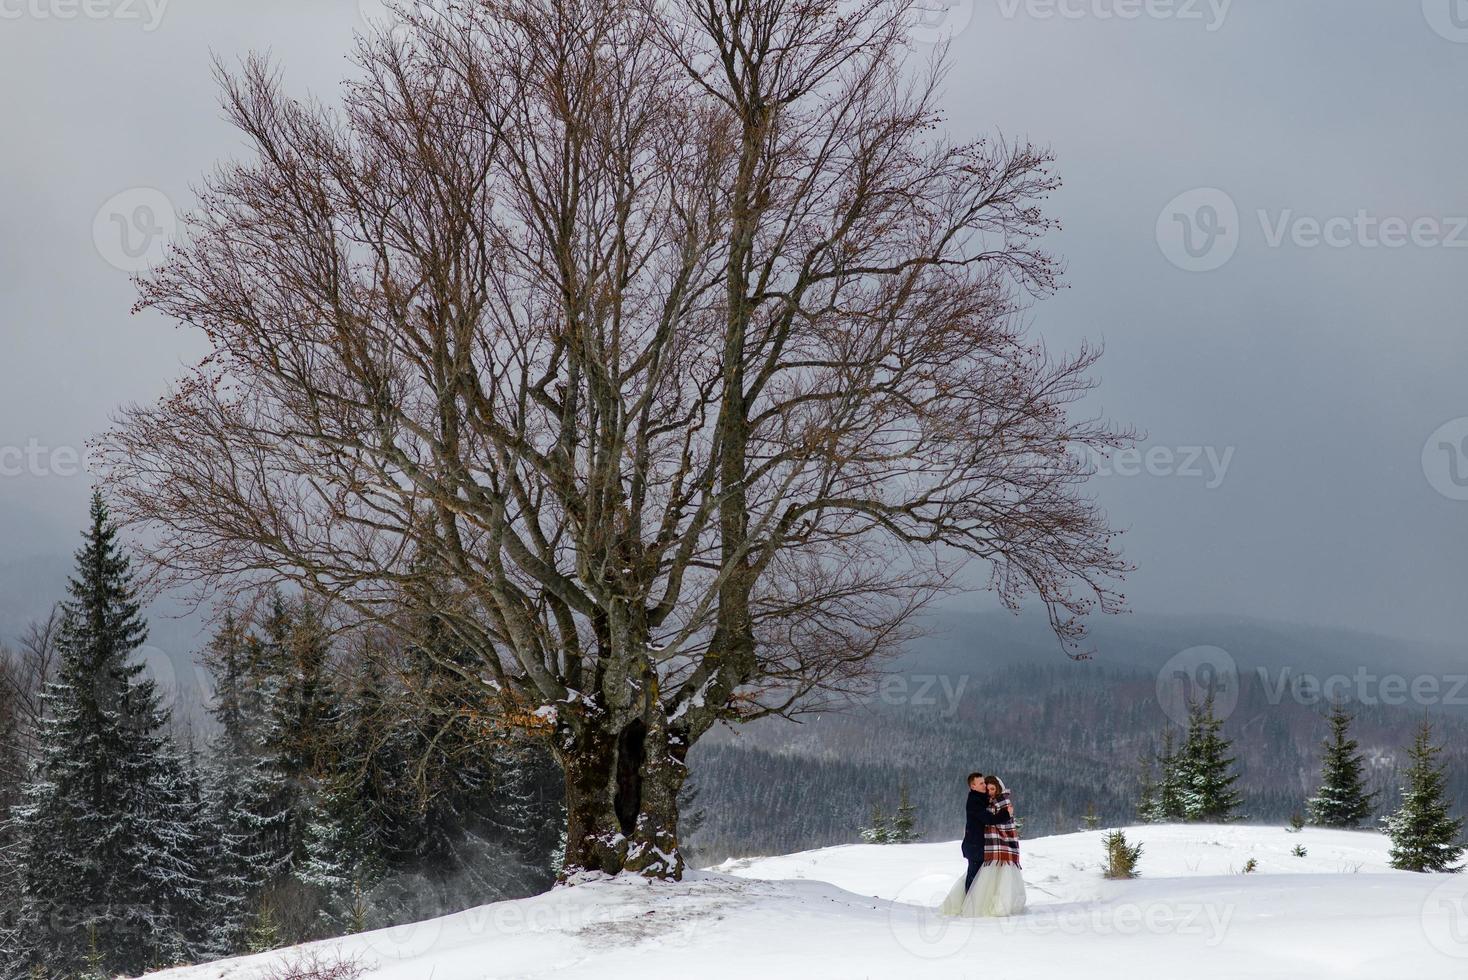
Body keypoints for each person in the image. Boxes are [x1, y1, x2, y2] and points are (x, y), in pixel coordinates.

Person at [940, 773, 1027, 918]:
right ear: (972, 786)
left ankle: (970, 905)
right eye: (981, 783)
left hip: (980, 846)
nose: (984, 786)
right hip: (975, 846)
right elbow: (988, 819)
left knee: (978, 877)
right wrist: (1007, 814)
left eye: (984, 783)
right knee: (974, 877)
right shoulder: (974, 801)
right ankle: (969, 907)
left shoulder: (982, 798)